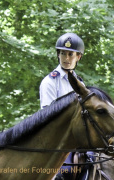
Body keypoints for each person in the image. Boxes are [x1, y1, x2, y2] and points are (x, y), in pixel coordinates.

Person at [39, 32, 85, 179]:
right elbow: (48, 117)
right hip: (58, 140)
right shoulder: (50, 82)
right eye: (63, 53)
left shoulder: (80, 83)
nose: (66, 58)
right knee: (63, 174)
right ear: (58, 55)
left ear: (78, 56)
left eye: (70, 54)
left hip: (78, 138)